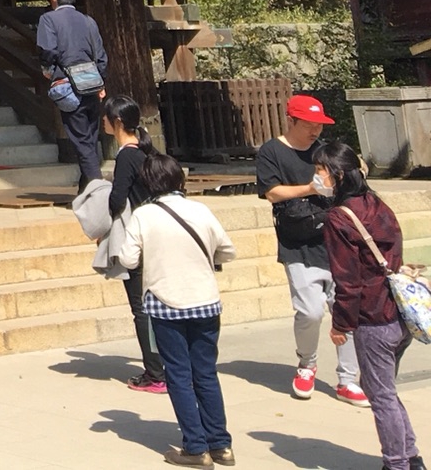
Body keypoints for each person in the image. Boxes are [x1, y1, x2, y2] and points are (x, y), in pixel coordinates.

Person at [114, 152, 238, 468]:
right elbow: (227, 250)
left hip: (165, 303)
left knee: (179, 375)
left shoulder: (143, 215)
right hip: (206, 301)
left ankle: (196, 447)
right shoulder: (200, 209)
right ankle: (221, 445)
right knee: (206, 373)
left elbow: (128, 260)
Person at [316, 138, 421, 470]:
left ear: (338, 174)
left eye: (321, 170)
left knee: (381, 397)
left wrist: (340, 324)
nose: (317, 177)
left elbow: (347, 279)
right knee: (383, 390)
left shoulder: (339, 217)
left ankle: (396, 463)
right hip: (398, 313)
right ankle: (411, 456)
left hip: (373, 318)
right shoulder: (377, 204)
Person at [255, 94, 365, 404]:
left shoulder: (324, 150)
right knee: (310, 310)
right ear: (291, 121)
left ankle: (347, 378)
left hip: (336, 237)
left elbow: (356, 167)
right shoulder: (271, 151)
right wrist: (311, 188)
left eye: (319, 125)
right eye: (309, 125)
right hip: (297, 240)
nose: (315, 132)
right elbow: (272, 193)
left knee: (346, 308)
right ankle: (307, 364)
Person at [101, 95, 164, 394]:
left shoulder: (126, 156)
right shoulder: (145, 152)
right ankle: (165, 366)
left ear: (117, 123)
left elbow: (117, 200)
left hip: (138, 237)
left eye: (106, 118)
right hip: (156, 234)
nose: (103, 123)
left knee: (141, 308)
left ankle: (155, 373)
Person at [36, 0, 108, 185]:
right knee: (91, 136)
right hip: (92, 82)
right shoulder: (88, 21)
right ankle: (86, 188)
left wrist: (48, 70)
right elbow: (101, 55)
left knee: (81, 139)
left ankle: (96, 186)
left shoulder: (48, 19)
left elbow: (48, 50)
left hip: (67, 83)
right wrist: (101, 81)